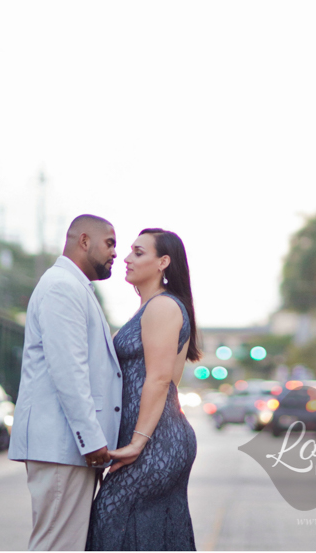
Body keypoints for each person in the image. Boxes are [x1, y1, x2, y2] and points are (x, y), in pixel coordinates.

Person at [9, 214, 123, 551]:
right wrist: (91, 440)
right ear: (84, 241)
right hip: (64, 446)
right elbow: (69, 371)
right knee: (57, 546)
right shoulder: (62, 287)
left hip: (67, 448)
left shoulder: (73, 286)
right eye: (110, 243)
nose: (115, 253)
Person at [86, 228, 201, 550]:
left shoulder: (163, 307)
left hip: (157, 443)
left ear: (163, 262)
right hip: (157, 438)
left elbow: (161, 379)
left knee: (110, 519)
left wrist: (138, 442)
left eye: (138, 252)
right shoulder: (152, 308)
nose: (126, 258)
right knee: (146, 533)